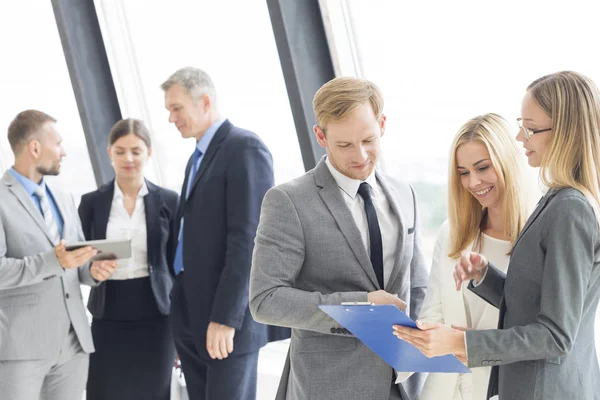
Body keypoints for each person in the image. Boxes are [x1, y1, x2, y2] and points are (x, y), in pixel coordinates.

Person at [393, 71, 600, 400]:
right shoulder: (555, 201)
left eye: (530, 128)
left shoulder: (570, 209)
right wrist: (486, 276)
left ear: (564, 132)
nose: (520, 137)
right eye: (521, 124)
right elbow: (536, 302)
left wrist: (461, 343)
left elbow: (556, 336)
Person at [250, 76, 428, 400]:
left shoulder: (405, 194)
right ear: (321, 136)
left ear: (383, 124)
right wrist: (361, 307)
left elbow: (418, 288)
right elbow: (266, 299)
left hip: (403, 385)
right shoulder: (288, 201)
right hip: (330, 387)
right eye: (344, 145)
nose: (360, 155)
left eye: (368, 140)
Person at [162, 66, 289, 400]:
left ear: (204, 102)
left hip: (223, 319)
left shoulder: (244, 148)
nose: (171, 118)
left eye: (177, 108)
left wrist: (225, 319)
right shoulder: (197, 159)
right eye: (169, 110)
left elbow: (249, 240)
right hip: (191, 312)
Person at [396, 113, 532, 399]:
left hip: (506, 388)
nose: (474, 182)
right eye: (463, 172)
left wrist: (467, 342)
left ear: (507, 161)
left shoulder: (538, 235)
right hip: (446, 390)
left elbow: (541, 332)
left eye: (482, 167)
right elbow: (435, 310)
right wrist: (404, 334)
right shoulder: (453, 233)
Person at [0, 109, 117, 400]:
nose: (63, 152)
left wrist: (91, 272)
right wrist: (54, 261)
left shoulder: (64, 199)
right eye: (58, 143)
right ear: (35, 147)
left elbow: (74, 266)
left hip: (73, 345)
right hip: (21, 349)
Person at [78, 118, 178, 399]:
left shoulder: (169, 201)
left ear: (149, 153)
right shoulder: (91, 203)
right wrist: (91, 268)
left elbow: (176, 267)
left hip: (157, 316)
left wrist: (182, 332)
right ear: (109, 153)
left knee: (154, 392)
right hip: (108, 312)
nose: (128, 158)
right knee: (103, 391)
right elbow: (79, 260)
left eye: (136, 150)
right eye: (120, 151)